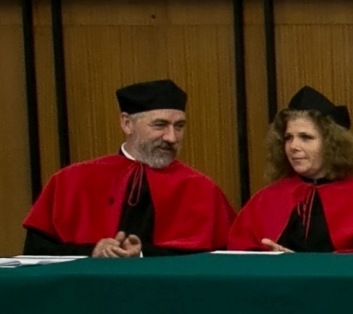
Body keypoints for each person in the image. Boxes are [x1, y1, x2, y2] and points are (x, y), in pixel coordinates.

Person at [23, 79, 233, 257]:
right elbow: (37, 253)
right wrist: (92, 251)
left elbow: (219, 260)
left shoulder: (201, 188)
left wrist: (143, 254)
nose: (172, 137)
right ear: (127, 124)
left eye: (179, 126)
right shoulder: (70, 181)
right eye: (160, 125)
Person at [227, 87, 353, 252]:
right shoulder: (267, 198)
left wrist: (307, 264)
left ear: (332, 144)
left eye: (305, 137)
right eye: (288, 138)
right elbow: (240, 254)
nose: (293, 146)